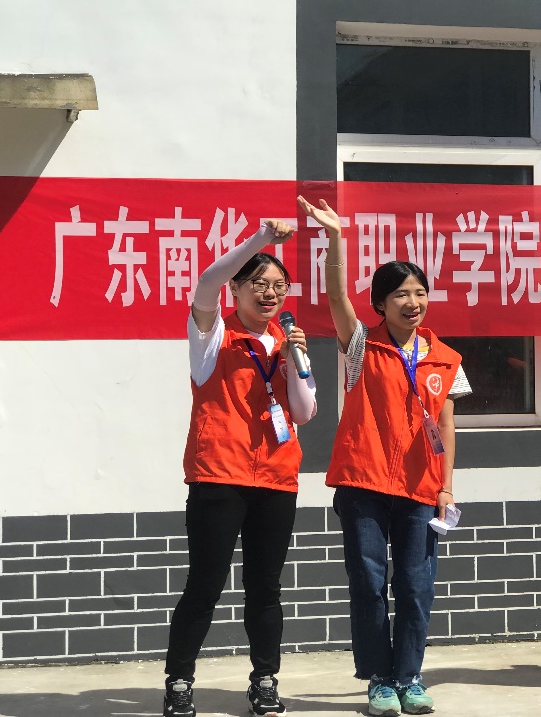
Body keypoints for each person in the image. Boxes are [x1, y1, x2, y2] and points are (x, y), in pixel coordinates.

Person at [300, 195, 470, 717]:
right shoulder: (360, 346)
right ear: (380, 303)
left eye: (419, 292)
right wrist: (335, 238)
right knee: (369, 584)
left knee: (416, 587)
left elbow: (446, 424)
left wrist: (445, 487)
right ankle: (379, 678)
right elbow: (336, 297)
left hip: (421, 489)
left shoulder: (445, 357)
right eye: (400, 294)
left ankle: (410, 677)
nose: (412, 302)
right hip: (364, 484)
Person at [162, 219, 318, 717]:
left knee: (265, 588)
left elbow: (304, 413)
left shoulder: (286, 341)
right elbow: (205, 282)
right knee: (205, 585)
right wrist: (261, 241)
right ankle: (179, 682)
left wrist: (294, 361)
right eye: (259, 284)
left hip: (276, 479)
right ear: (236, 289)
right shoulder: (213, 337)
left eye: (279, 286)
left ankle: (265, 680)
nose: (270, 294)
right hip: (219, 477)